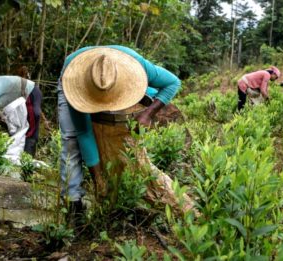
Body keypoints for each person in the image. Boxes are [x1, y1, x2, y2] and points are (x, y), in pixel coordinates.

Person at [58, 45, 189, 222]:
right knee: (71, 141)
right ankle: (73, 203)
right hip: (74, 77)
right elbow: (84, 132)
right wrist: (98, 180)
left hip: (124, 76)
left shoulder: (137, 66)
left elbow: (173, 82)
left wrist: (148, 113)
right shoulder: (73, 83)